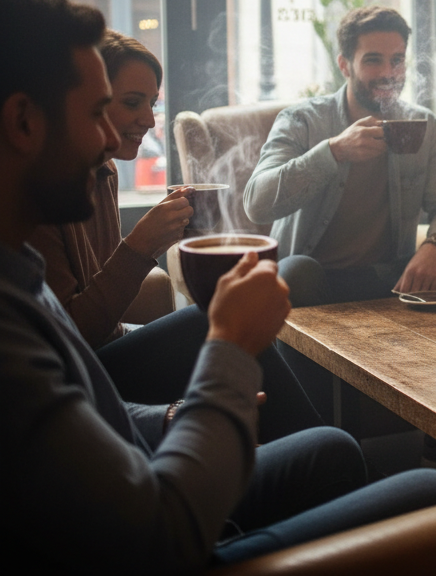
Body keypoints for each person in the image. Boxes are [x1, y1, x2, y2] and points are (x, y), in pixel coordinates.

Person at [0, 0, 436, 571]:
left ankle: (390, 479)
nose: (114, 138)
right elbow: (258, 197)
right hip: (177, 536)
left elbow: (101, 412)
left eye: (396, 59)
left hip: (385, 276)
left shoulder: (20, 269)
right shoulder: (308, 120)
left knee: (332, 447)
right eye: (102, 112)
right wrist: (226, 355)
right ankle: (365, 521)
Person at [29, 30, 321, 443]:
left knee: (240, 323)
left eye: (152, 104)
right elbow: (72, 338)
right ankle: (308, 449)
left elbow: (101, 292)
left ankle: (294, 450)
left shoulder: (104, 171)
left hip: (110, 347)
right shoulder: (40, 195)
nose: (149, 121)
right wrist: (141, 247)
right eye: (132, 103)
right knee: (209, 320)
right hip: (87, 372)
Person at [244, 5, 436, 306]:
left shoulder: (421, 125)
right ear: (345, 65)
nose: (388, 73)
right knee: (297, 272)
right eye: (374, 60)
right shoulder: (302, 121)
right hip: (316, 276)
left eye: (397, 61)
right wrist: (335, 151)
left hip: (390, 277)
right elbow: (256, 203)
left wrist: (435, 246)